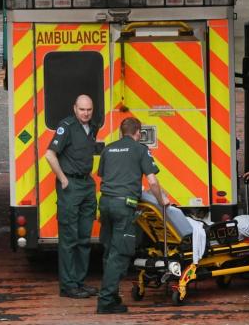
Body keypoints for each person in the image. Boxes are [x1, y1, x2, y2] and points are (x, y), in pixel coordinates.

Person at [95, 117, 167, 314]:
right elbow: (152, 181)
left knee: (109, 252)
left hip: (106, 203)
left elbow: (104, 175)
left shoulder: (108, 149)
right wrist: (162, 201)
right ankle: (106, 302)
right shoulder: (140, 149)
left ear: (121, 132)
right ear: (138, 133)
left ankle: (113, 296)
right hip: (123, 207)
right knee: (119, 254)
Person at [45, 94, 100, 299]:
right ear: (74, 109)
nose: (85, 113)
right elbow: (50, 154)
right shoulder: (66, 126)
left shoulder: (91, 127)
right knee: (69, 238)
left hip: (86, 184)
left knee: (84, 238)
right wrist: (63, 179)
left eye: (89, 110)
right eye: (82, 109)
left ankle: (79, 282)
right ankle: (68, 286)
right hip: (71, 185)